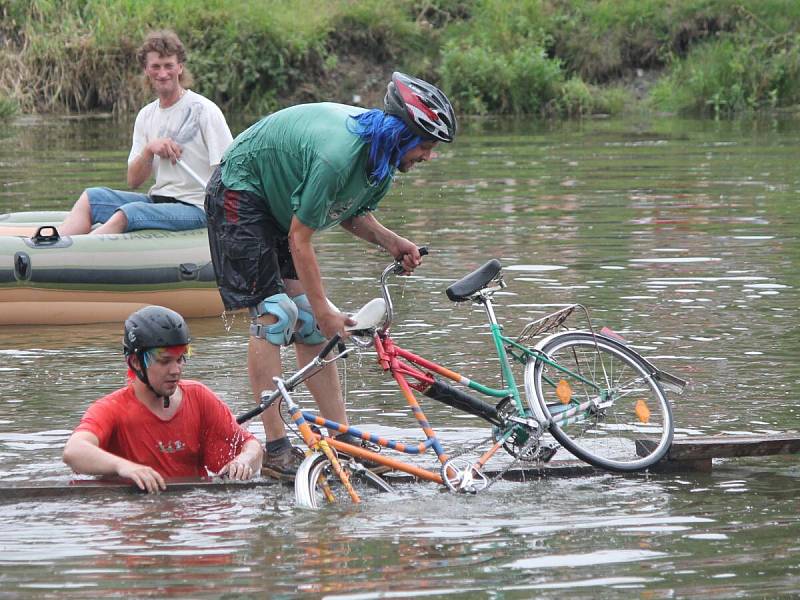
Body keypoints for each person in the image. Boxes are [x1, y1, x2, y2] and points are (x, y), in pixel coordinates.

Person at [204, 72, 456, 480]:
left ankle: (342, 439)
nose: (429, 156)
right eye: (426, 147)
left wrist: (393, 243)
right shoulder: (337, 155)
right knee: (277, 315)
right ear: (400, 135)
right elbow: (300, 240)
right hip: (240, 190)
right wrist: (324, 310)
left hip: (279, 202)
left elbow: (350, 212)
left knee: (310, 323)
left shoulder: (380, 162)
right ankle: (275, 448)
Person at [62, 305, 263, 493]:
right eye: (165, 361)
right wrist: (124, 467)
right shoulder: (112, 408)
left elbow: (252, 446)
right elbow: (73, 451)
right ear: (135, 362)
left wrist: (243, 461)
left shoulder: (199, 397)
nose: (176, 370)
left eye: (180, 359)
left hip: (193, 517)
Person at [57, 30, 233, 236]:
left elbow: (229, 172)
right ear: (147, 70)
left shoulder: (204, 110)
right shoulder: (145, 116)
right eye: (155, 67)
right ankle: (52, 247)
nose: (163, 73)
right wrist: (150, 150)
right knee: (91, 197)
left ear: (180, 68)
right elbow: (133, 181)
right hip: (160, 200)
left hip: (198, 208)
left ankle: (78, 253)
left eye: (169, 65)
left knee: (128, 213)